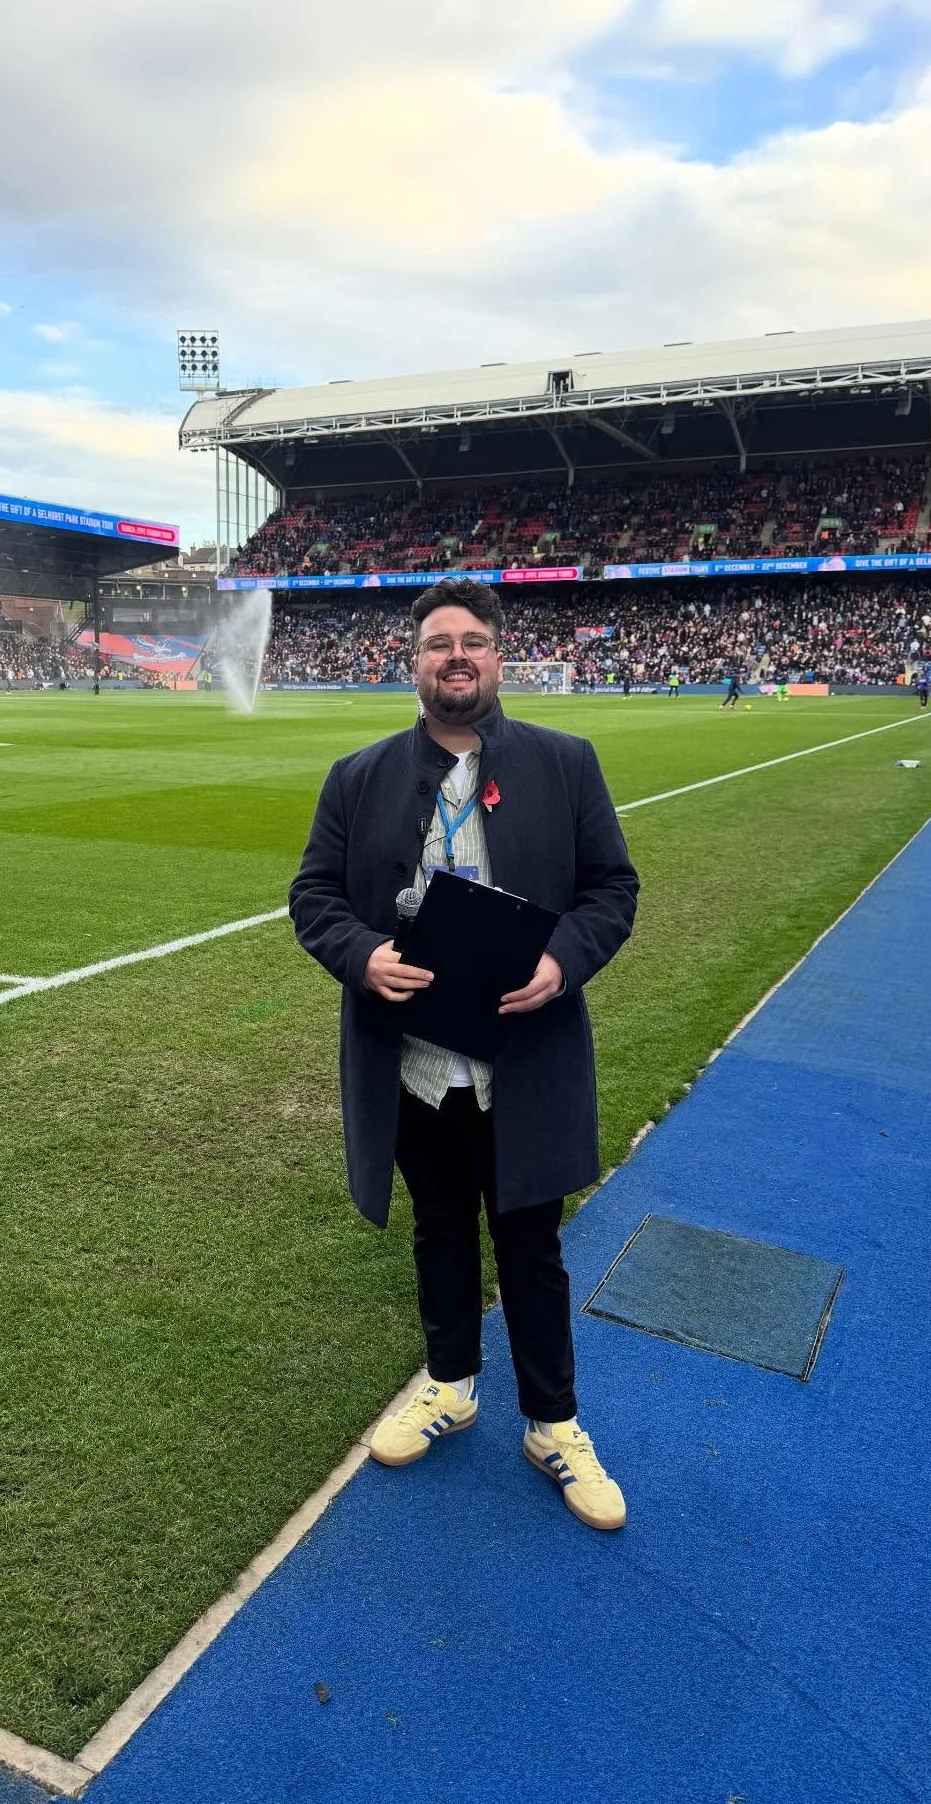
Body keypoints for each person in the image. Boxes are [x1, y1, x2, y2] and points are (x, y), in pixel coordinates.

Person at [290, 578, 639, 1531]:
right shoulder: (358, 777)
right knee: (439, 1227)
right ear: (414, 663)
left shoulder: (565, 763)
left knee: (532, 1244)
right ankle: (450, 1384)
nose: (456, 656)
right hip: (413, 1062)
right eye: (439, 642)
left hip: (523, 1058)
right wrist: (362, 956)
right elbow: (313, 896)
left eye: (473, 641)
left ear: (497, 658)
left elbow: (613, 889)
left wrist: (562, 963)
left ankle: (554, 1425)